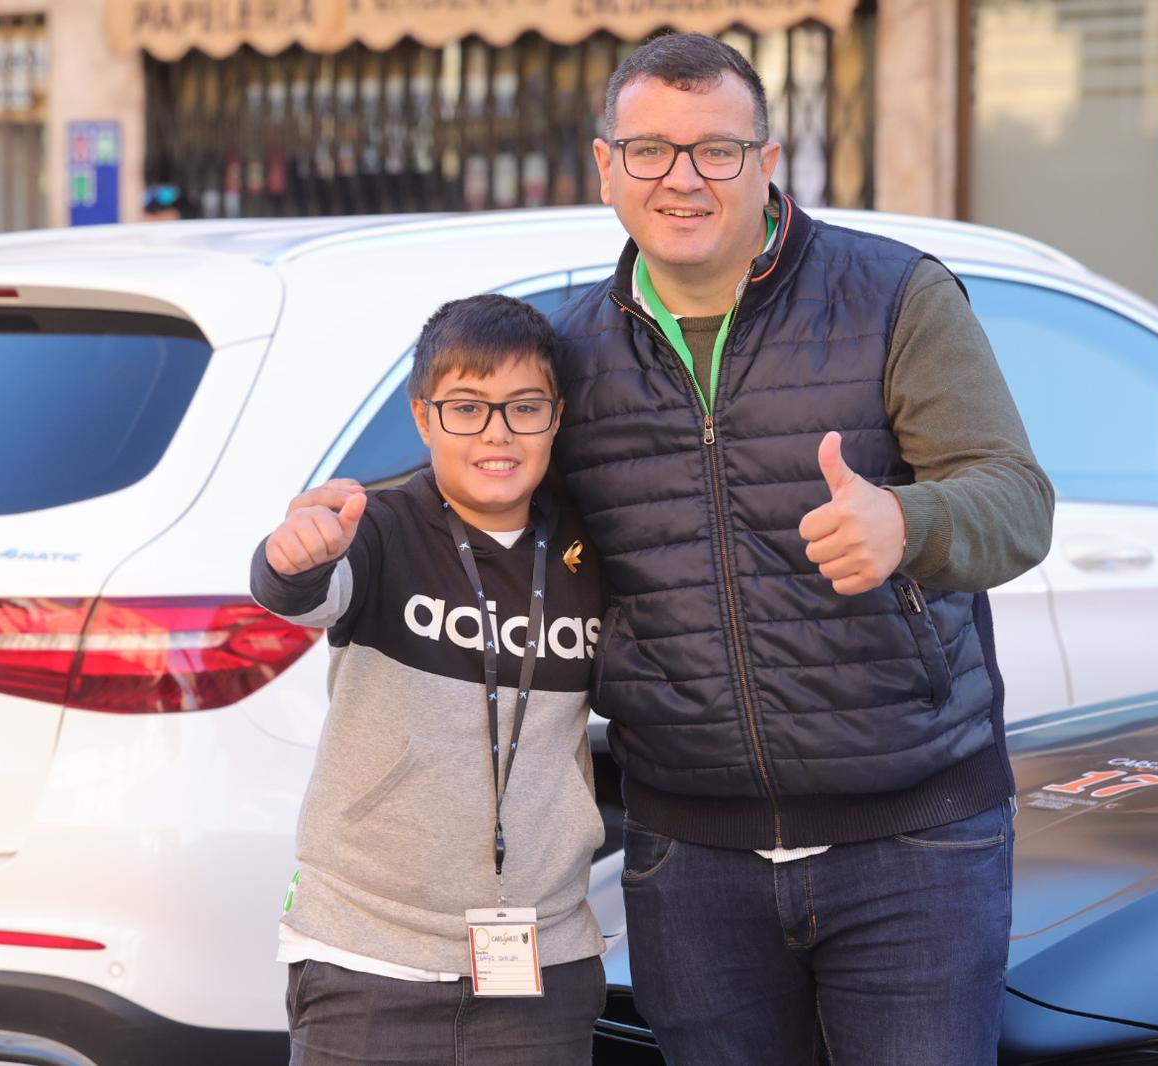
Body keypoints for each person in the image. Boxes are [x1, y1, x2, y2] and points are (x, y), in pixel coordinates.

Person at [547, 32, 1055, 1066]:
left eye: (716, 151)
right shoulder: (571, 356)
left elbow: (1017, 501)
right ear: (605, 166)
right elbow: (481, 504)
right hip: (690, 861)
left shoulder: (893, 298)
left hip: (912, 849)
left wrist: (905, 525)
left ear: (768, 162)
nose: (681, 178)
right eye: (649, 149)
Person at [250, 294, 609, 1065]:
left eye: (523, 407)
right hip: (367, 962)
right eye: (466, 408)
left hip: (541, 968)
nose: (496, 434)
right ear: (423, 418)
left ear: (557, 416)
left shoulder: (589, 549)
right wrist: (292, 559)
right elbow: (310, 590)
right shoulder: (379, 530)